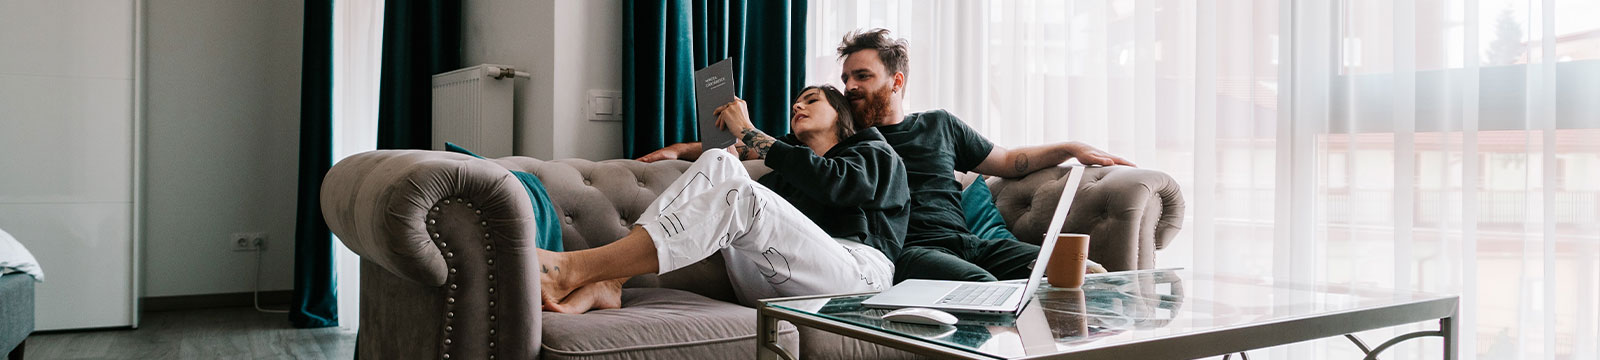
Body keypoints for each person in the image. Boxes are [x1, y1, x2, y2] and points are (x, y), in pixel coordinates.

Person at [638, 28, 1132, 283]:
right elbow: (763, 151)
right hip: (908, 251)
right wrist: (687, 149)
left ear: (895, 80)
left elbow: (1012, 162)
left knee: (1087, 277)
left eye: (862, 77)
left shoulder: (939, 125)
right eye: (846, 78)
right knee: (984, 290)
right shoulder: (844, 143)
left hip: (969, 240)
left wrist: (1071, 147)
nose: (850, 87)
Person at [540, 85, 909, 314]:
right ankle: (613, 280)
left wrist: (747, 131)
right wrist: (691, 152)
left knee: (741, 193)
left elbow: (837, 185)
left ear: (841, 114)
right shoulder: (784, 178)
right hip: (771, 283)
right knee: (719, 161)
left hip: (858, 280)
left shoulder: (874, 151)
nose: (798, 106)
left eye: (811, 100)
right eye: (795, 102)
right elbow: (771, 219)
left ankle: (576, 269)